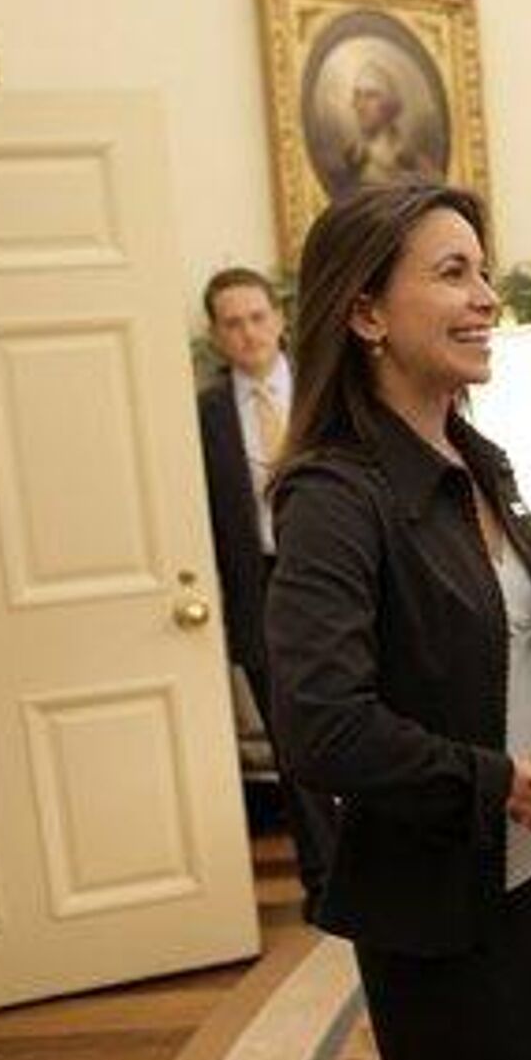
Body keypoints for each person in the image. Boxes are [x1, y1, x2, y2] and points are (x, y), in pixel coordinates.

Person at [263, 181, 531, 1060]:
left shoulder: (485, 461)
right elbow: (319, 725)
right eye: (451, 274)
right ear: (363, 313)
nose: (485, 297)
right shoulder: (334, 494)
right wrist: (504, 784)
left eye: (484, 273)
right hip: (442, 892)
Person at [195, 267, 338, 918]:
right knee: (293, 745)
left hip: (334, 576)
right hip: (258, 586)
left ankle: (384, 869)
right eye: (232, 323)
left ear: (278, 318)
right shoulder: (206, 414)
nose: (248, 332)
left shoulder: (326, 387)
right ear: (217, 335)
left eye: (256, 317)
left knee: (358, 725)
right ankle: (325, 884)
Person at [344, 59, 436, 190]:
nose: (361, 106)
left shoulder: (413, 161)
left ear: (390, 104)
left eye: (371, 96)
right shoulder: (352, 158)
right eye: (357, 95)